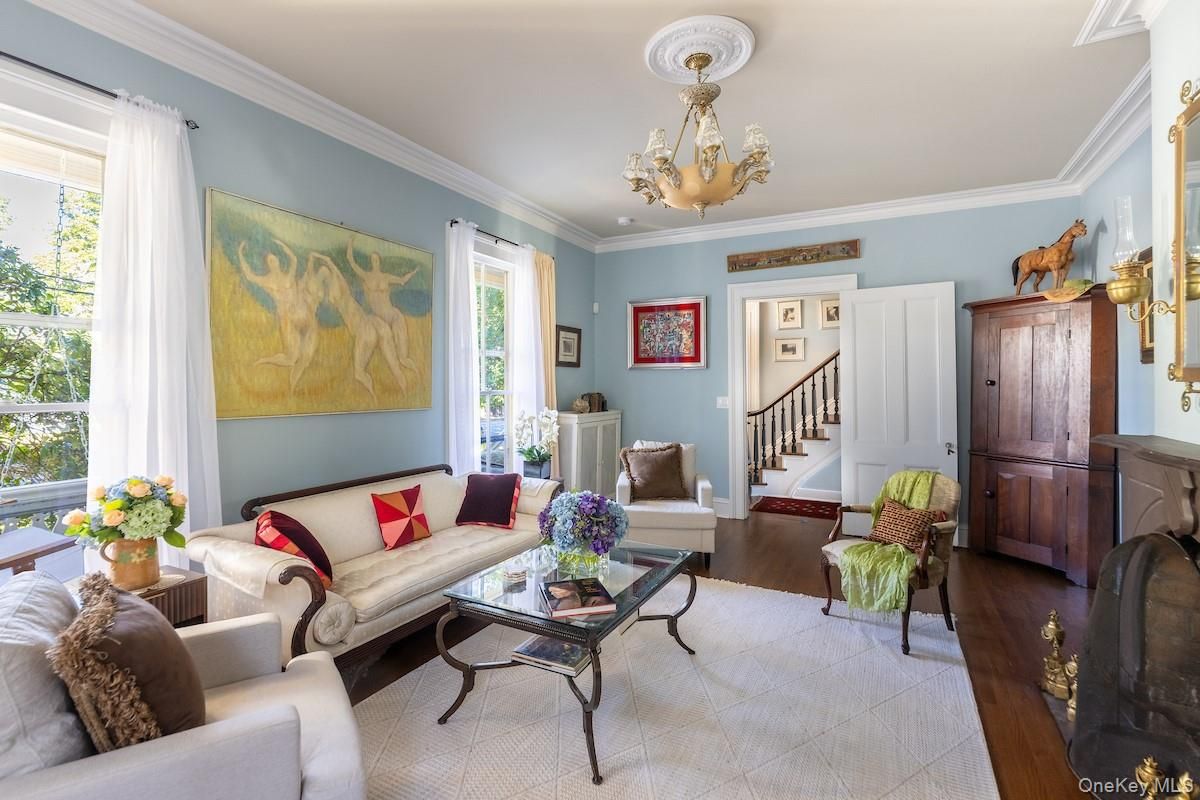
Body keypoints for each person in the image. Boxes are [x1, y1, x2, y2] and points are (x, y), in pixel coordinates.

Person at [308, 252, 406, 400]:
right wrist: (319, 260)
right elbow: (330, 271)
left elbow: (323, 280)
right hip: (373, 321)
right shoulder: (341, 285)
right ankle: (403, 394)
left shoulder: (334, 290)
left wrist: (319, 259)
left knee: (359, 373)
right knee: (395, 366)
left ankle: (374, 399)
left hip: (363, 329)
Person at [237, 239, 322, 392]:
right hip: (288, 319)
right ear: (267, 264)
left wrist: (284, 246)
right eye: (270, 259)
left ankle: (293, 387)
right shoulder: (266, 280)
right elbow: (249, 275)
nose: (273, 260)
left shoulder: (289, 274)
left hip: (305, 315)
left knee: (306, 358)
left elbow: (294, 260)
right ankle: (265, 361)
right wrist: (240, 253)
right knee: (291, 359)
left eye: (275, 258)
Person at [346, 238, 419, 374]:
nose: (375, 261)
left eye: (377, 259)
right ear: (371, 261)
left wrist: (413, 273)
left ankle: (417, 374)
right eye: (372, 259)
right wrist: (350, 243)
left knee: (403, 358)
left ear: (379, 261)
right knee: (388, 353)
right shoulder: (366, 276)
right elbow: (351, 261)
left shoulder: (386, 277)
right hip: (378, 317)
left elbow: (402, 280)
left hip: (393, 315)